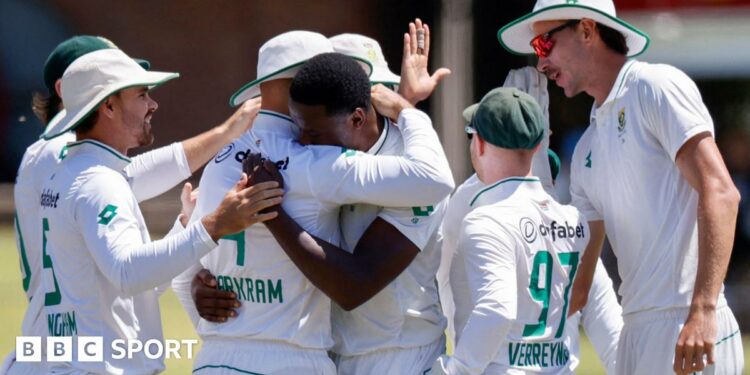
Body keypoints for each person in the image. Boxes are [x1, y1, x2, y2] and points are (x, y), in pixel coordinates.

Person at [171, 31, 453, 375]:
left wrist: (270, 212)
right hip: (319, 357)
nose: (305, 138)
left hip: (400, 358)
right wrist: (202, 286)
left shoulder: (233, 159)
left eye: (378, 92)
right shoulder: (315, 161)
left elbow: (355, 284)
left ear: (358, 112)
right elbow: (185, 265)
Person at [499, 0, 744, 373]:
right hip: (635, 331)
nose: (541, 63)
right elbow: (579, 284)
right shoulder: (584, 152)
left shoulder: (655, 86)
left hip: (690, 324)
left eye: (544, 44)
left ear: (586, 30)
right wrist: (530, 169)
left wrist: (703, 310)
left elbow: (722, 192)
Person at [6, 35, 261, 374]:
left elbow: (129, 281)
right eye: (141, 94)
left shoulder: (75, 168)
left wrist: (182, 226)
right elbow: (128, 272)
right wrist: (214, 225)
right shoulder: (93, 176)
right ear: (106, 106)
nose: (153, 105)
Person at [437, 97, 622, 374]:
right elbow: (611, 331)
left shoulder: (485, 220)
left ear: (480, 143)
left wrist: (454, 370)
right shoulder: (574, 221)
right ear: (538, 146)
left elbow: (496, 310)